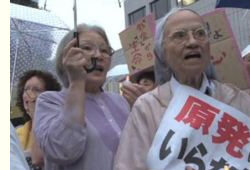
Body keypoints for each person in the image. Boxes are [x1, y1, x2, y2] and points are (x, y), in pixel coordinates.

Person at [113, 8, 250, 170]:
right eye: (180, 35)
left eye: (200, 33)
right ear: (162, 51)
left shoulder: (237, 99)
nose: (193, 42)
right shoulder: (148, 108)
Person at [34, 23, 130, 170]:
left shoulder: (121, 101)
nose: (98, 55)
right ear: (65, 58)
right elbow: (63, 151)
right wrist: (77, 82)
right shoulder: (49, 101)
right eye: (86, 48)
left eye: (104, 50)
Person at [15, 70, 61, 169]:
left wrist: (37, 113)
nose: (29, 94)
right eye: (26, 89)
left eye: (36, 89)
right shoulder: (17, 131)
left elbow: (39, 160)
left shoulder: (59, 128)